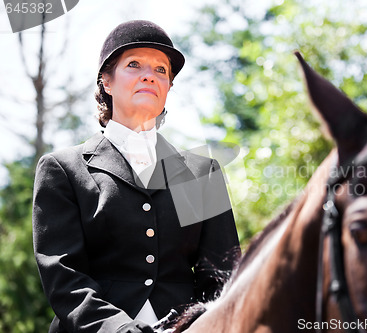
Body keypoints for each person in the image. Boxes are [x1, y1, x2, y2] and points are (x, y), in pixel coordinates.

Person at [32, 20, 240, 333]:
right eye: (134, 64)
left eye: (161, 70)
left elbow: (221, 278)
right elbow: (64, 278)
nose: (149, 75)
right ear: (106, 81)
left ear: (168, 87)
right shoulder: (63, 169)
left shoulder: (201, 174)